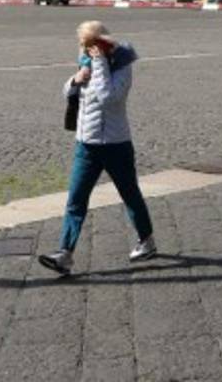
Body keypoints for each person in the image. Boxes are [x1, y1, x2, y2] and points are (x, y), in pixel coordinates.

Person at [39, 21, 155, 276]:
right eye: (82, 44)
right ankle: (64, 254)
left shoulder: (122, 65)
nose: (84, 49)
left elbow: (108, 98)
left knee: (130, 194)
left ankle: (146, 240)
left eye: (89, 44)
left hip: (116, 145)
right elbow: (68, 93)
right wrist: (74, 80)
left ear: (101, 43)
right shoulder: (86, 62)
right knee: (76, 200)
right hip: (86, 145)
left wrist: (100, 63)